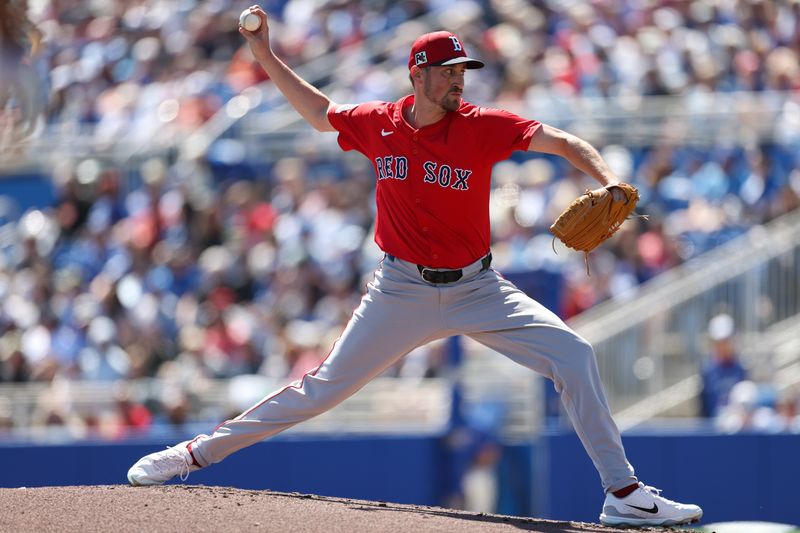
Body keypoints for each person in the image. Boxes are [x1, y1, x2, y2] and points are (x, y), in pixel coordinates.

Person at [128, 6, 703, 527]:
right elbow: (321, 113)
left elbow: (561, 140)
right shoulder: (380, 122)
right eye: (448, 70)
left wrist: (606, 178)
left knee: (573, 355)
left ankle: (623, 493)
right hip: (400, 288)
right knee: (322, 389)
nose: (459, 79)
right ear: (418, 74)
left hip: (478, 287)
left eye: (463, 71)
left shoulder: (481, 125)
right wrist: (265, 56)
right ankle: (195, 454)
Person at [700, 312, 747, 418]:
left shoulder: (742, 368)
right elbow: (704, 407)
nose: (722, 346)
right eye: (719, 342)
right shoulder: (707, 371)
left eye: (726, 341)